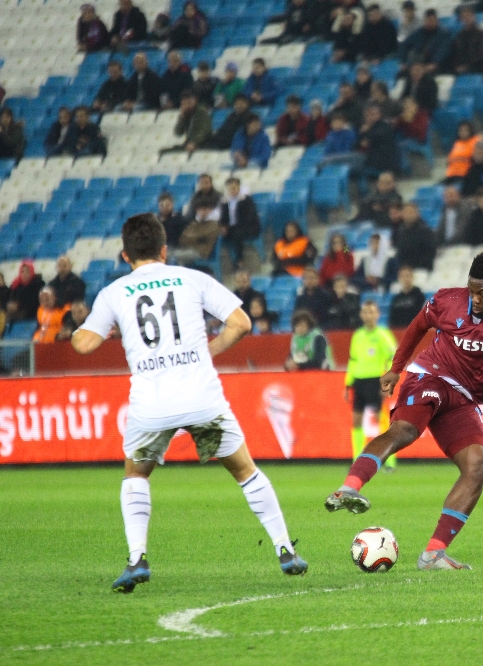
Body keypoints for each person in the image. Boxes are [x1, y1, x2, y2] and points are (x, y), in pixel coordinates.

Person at [71, 214, 307, 593]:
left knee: (136, 475)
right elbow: (242, 323)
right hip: (202, 400)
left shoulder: (114, 293)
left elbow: (83, 344)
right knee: (245, 471)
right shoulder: (192, 278)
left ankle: (136, 559)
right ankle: (284, 550)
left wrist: (95, 327)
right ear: (165, 250)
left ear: (124, 254)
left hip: (151, 406)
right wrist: (206, 351)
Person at [325, 252, 483, 570]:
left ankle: (433, 554)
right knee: (405, 431)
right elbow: (416, 327)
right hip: (430, 375)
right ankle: (348, 489)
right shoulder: (447, 301)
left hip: (465, 399)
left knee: (478, 466)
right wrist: (396, 369)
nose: (477, 299)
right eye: (473, 290)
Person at [345, 301, 398, 466]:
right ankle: (357, 458)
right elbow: (353, 360)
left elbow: (393, 357)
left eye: (371, 312)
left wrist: (387, 381)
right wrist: (348, 384)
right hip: (359, 381)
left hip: (376, 380)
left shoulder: (383, 335)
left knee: (380, 420)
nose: (368, 315)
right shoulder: (358, 335)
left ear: (377, 315)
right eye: (365, 312)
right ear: (361, 315)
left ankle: (388, 460)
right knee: (356, 420)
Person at [219, 177, 261, 266]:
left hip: (248, 227)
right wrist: (223, 226)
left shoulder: (246, 200)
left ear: (239, 188)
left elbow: (250, 217)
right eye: (230, 189)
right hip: (232, 228)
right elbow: (223, 218)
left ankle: (239, 260)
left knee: (236, 233)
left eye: (234, 188)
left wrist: (233, 226)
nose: (232, 191)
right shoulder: (225, 202)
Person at [398, 8, 453, 74]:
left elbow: (443, 51)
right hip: (418, 62)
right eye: (427, 20)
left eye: (431, 20)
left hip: (436, 64)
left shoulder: (444, 34)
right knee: (402, 74)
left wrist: (434, 63)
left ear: (437, 21)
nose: (429, 22)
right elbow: (404, 45)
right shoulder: (419, 32)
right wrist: (403, 62)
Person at [394, 203, 437, 271]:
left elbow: (430, 253)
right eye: (406, 212)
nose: (408, 215)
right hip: (405, 271)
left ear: (417, 214)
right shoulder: (400, 231)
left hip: (422, 270)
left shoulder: (425, 231)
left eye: (411, 212)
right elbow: (400, 253)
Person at [450, 5, 483, 75]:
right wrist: (457, 65)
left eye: (468, 16)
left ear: (473, 16)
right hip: (464, 66)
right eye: (464, 17)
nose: (466, 19)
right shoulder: (460, 35)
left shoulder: (481, 33)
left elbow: (481, 54)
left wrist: (467, 66)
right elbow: (458, 52)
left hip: (479, 66)